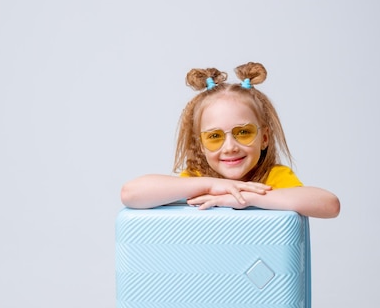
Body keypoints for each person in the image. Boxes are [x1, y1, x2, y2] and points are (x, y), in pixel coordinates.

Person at [121, 62, 340, 218]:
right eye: (214, 137)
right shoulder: (197, 180)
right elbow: (131, 194)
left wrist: (247, 198)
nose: (230, 147)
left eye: (243, 132)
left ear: (264, 138)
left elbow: (329, 205)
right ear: (200, 145)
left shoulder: (272, 179)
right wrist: (214, 184)